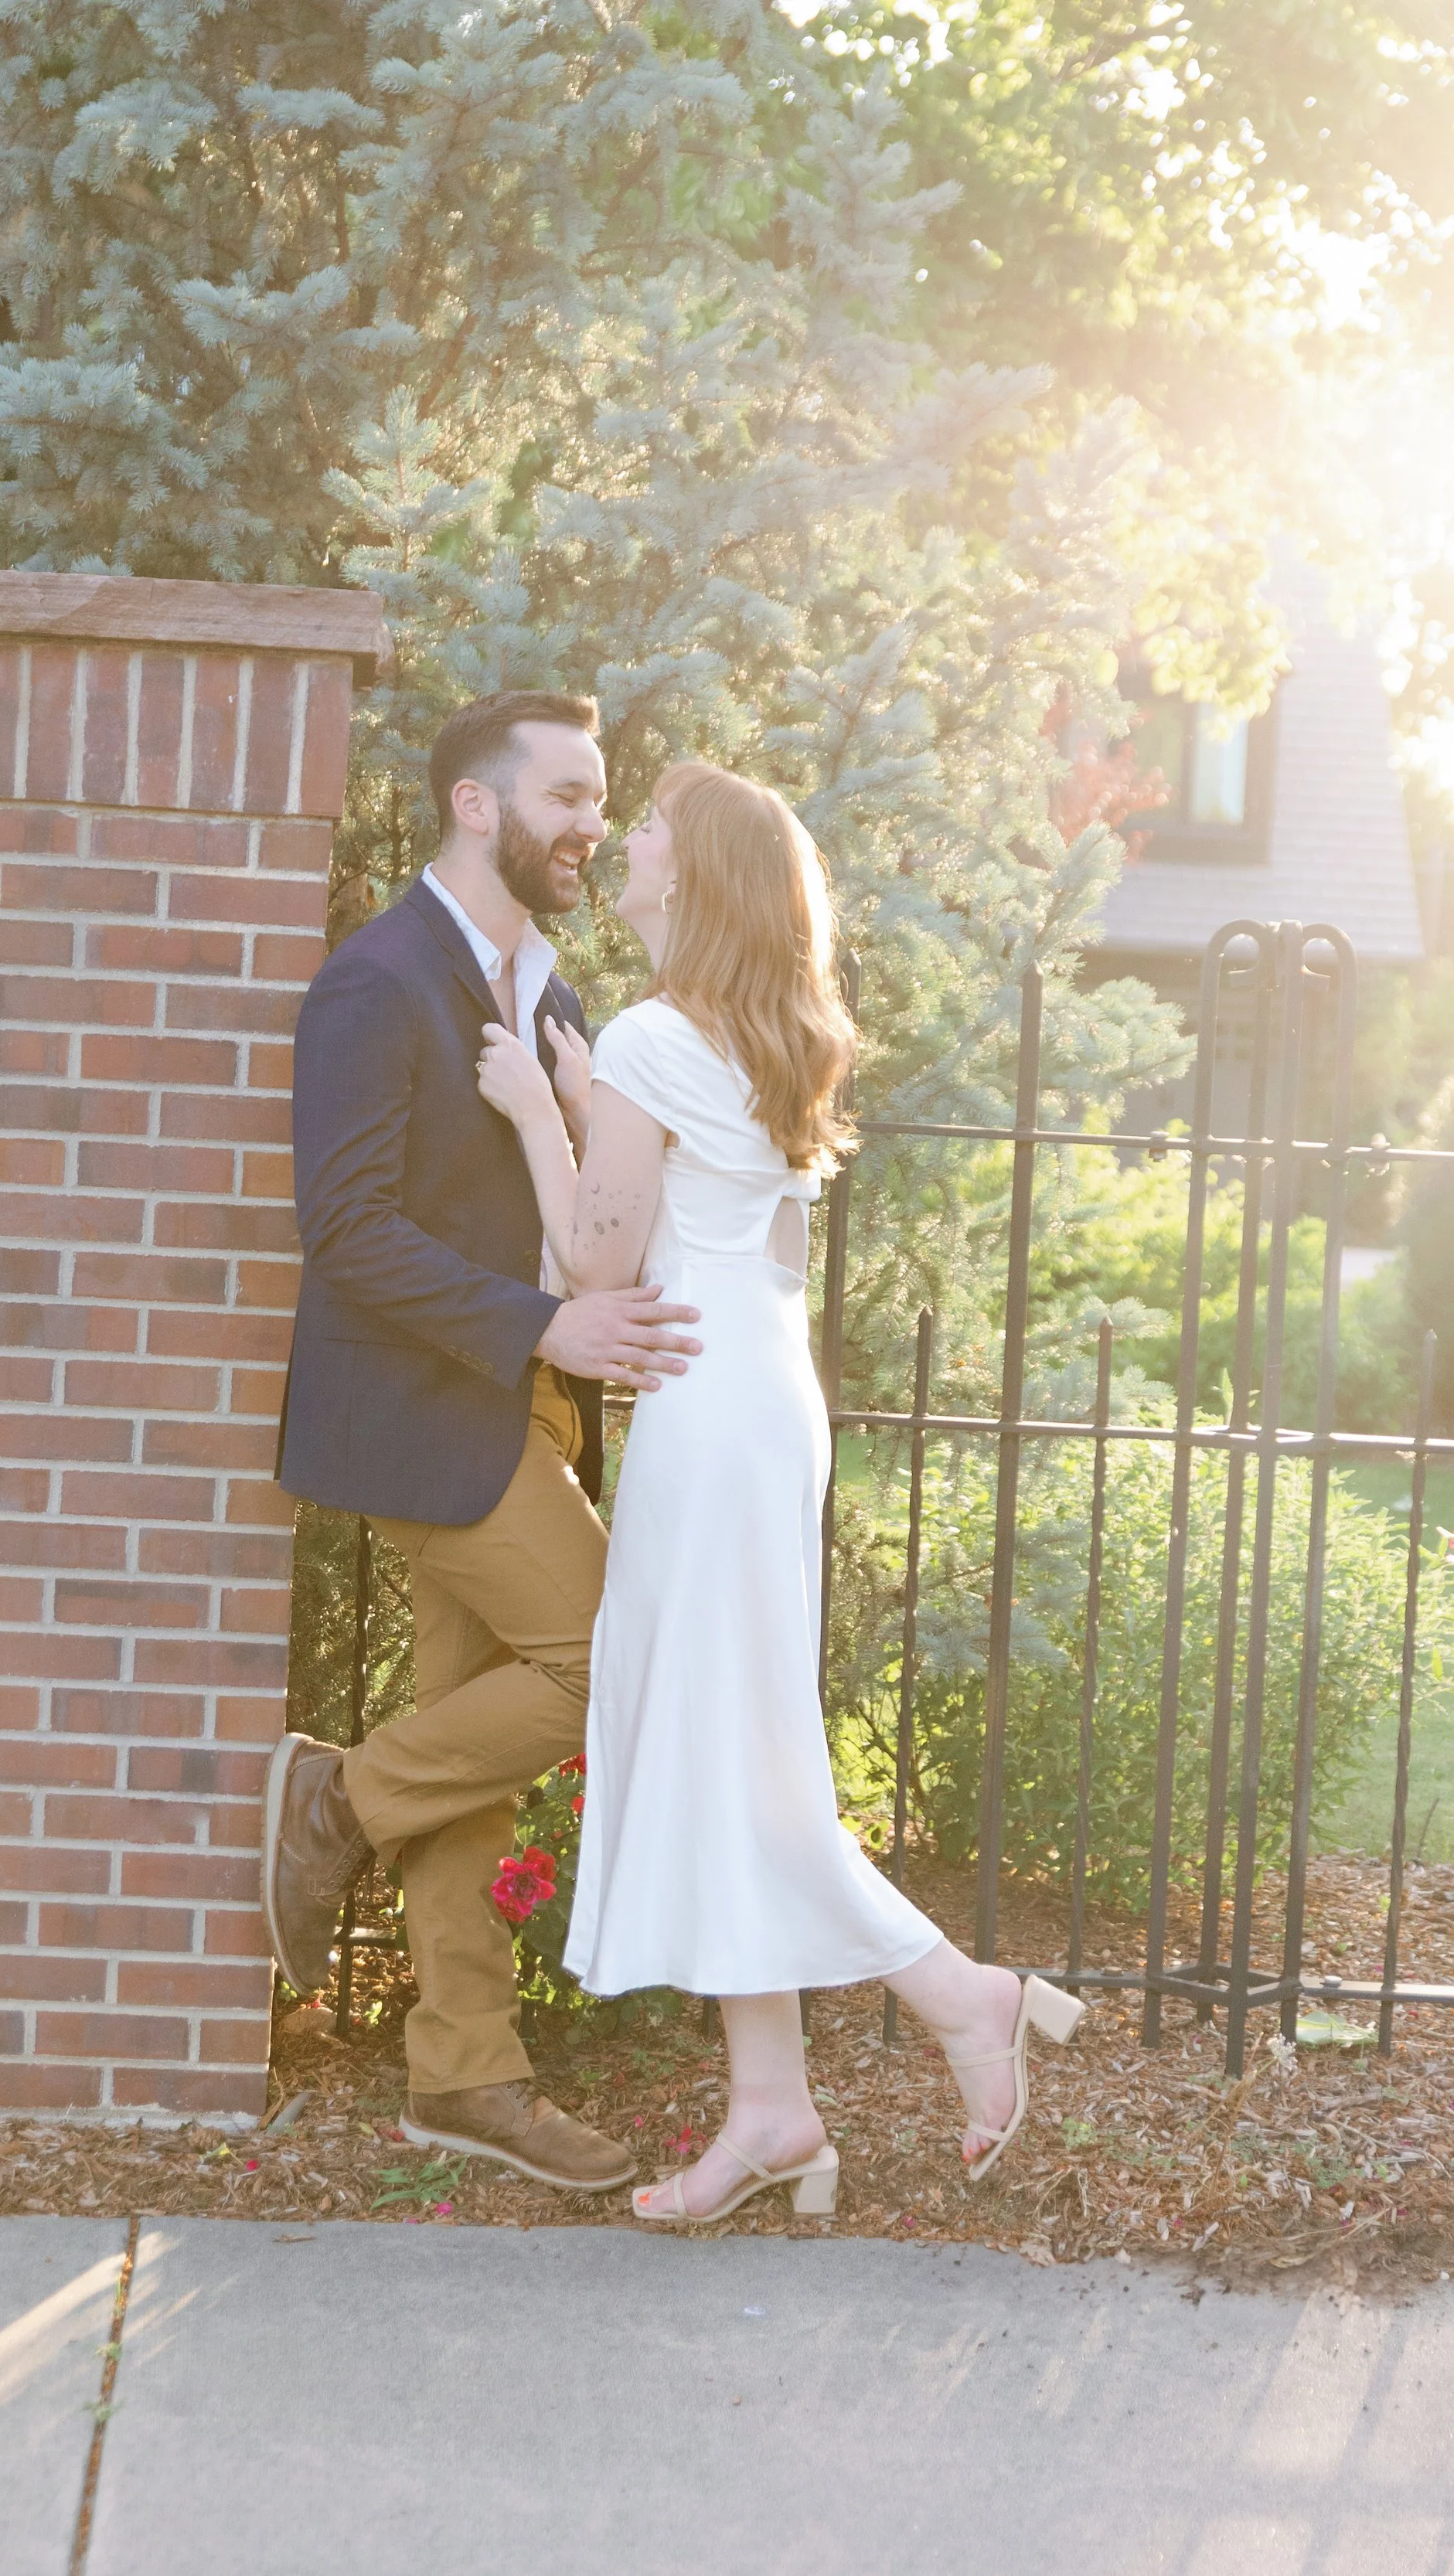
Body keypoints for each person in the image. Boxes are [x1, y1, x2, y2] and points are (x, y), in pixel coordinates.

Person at [475, 759, 1085, 2224]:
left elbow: (595, 1270)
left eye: (653, 834)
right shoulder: (761, 1039)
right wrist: (593, 1093)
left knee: (728, 1750)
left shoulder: (647, 1035)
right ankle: (774, 2113)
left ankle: (963, 1995)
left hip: (705, 1402)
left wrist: (537, 1113)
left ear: (696, 879)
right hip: (760, 1384)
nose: (625, 847)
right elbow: (754, 1248)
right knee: (720, 1741)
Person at [265, 691, 704, 2193]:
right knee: (612, 1656)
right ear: (475, 803)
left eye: (600, 800)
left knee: (474, 1759)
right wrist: (536, 1328)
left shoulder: (547, 988)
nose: (591, 822)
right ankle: (332, 1800)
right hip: (422, 1417)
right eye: (568, 794)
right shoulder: (377, 985)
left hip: (522, 1413)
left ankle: (460, 2075)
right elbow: (347, 1231)